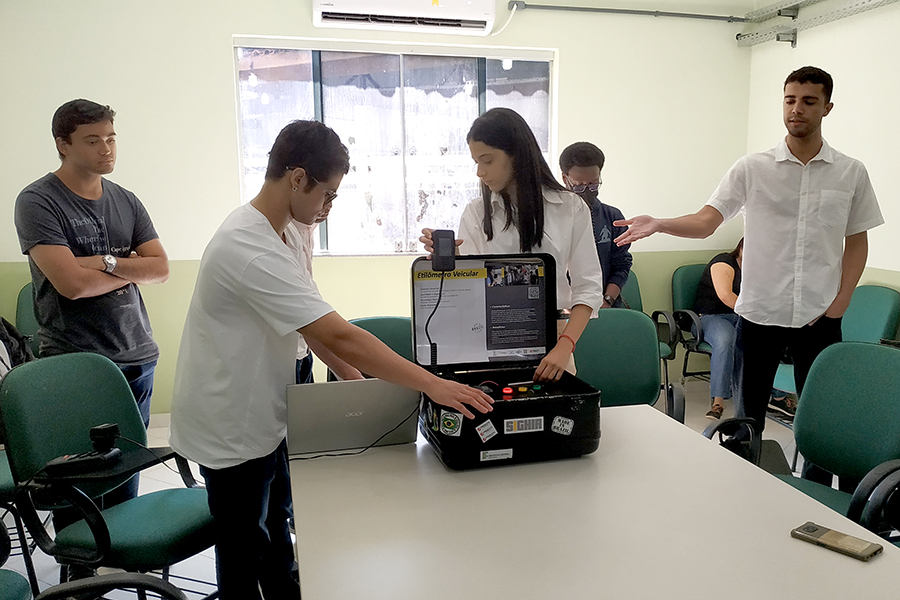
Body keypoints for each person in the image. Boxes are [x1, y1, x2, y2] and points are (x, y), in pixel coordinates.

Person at [169, 120, 493, 600]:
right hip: (232, 420)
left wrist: (353, 382)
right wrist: (431, 384)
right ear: (296, 179)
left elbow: (309, 316)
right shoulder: (249, 246)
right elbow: (338, 333)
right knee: (243, 544)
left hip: (268, 404)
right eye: (328, 195)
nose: (328, 208)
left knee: (277, 521)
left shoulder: (290, 229)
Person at [614, 67, 883, 486]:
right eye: (790, 100)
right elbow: (707, 221)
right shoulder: (753, 168)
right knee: (748, 415)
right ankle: (746, 488)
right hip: (760, 313)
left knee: (818, 416)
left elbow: (857, 241)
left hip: (821, 315)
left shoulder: (850, 172)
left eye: (809, 101)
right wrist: (661, 223)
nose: (797, 109)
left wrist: (842, 300)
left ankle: (813, 491)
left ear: (827, 107)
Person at [14, 100, 168, 530]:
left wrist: (103, 262)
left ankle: (120, 571)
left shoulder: (127, 200)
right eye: (93, 140)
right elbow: (71, 285)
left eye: (112, 138)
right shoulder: (38, 201)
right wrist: (126, 268)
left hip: (137, 356)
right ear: (63, 144)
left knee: (125, 481)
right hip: (75, 364)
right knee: (79, 483)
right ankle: (78, 576)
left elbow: (160, 268)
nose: (107, 149)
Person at [421, 108, 604, 382]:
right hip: (488, 347)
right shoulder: (476, 213)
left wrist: (565, 346)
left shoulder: (569, 207)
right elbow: (470, 295)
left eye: (488, 160)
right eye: (476, 162)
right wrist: (453, 262)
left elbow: (588, 287)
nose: (480, 172)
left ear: (517, 155)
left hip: (553, 349)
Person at [290, 204, 363, 384]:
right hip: (286, 358)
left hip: (302, 352)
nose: (329, 205)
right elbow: (311, 319)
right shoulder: (283, 237)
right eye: (327, 194)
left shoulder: (306, 227)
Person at [559, 142, 633, 308]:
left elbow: (621, 265)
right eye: (579, 185)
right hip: (564, 308)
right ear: (565, 178)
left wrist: (607, 300)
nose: (587, 190)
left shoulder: (613, 218)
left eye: (593, 184)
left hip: (605, 307)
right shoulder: (552, 218)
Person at [692, 239, 744, 420]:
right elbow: (726, 296)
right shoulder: (723, 261)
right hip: (709, 317)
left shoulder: (762, 269)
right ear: (741, 249)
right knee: (726, 339)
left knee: (765, 336)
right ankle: (718, 402)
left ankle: (777, 396)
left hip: (740, 317)